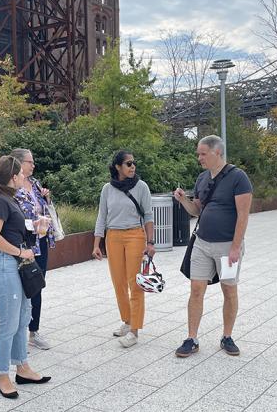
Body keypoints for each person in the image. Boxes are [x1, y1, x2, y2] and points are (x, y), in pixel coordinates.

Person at [173, 135, 252, 358]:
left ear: (217, 152)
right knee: (196, 289)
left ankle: (227, 336)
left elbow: (243, 215)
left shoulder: (239, 178)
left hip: (228, 247)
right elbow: (196, 210)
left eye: (202, 153)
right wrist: (182, 200)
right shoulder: (202, 178)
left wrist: (235, 247)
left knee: (229, 289)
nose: (199, 158)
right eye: (198, 154)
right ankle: (191, 338)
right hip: (202, 243)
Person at [0, 156, 51, 399]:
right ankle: (3, 375)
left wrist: (37, 228)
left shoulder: (9, 200)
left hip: (16, 265)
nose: (25, 176)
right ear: (13, 177)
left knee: (23, 317)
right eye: (21, 173)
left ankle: (22, 367)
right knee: (9, 323)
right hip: (4, 265)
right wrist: (20, 251)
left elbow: (14, 233)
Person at [92, 150, 155, 348]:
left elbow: (148, 215)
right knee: (118, 282)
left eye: (133, 163)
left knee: (134, 283)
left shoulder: (141, 187)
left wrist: (150, 243)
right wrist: (96, 244)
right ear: (118, 167)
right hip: (113, 237)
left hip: (135, 235)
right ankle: (127, 321)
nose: (132, 166)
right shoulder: (107, 189)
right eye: (128, 164)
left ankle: (134, 331)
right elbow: (102, 216)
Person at [10, 148, 54, 350]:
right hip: (23, 244)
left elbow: (42, 208)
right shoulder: (10, 187)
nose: (33, 165)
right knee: (20, 287)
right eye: (30, 161)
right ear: (19, 163)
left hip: (41, 241)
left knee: (37, 285)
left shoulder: (35, 183)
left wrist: (46, 198)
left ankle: (33, 331)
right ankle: (16, 330)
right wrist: (31, 224)